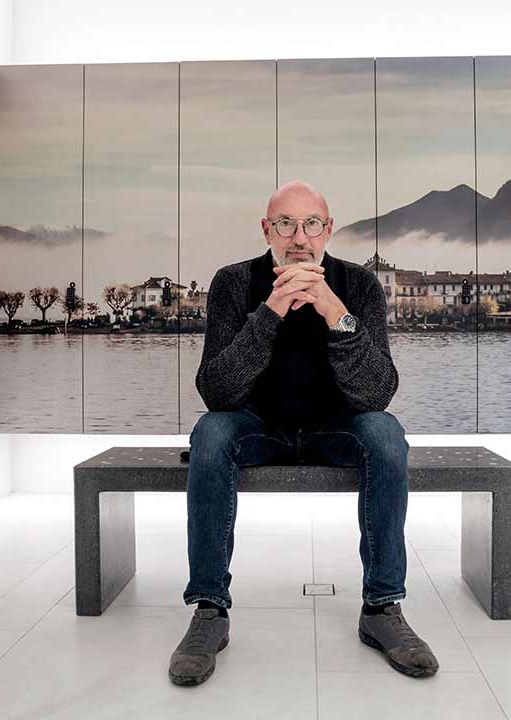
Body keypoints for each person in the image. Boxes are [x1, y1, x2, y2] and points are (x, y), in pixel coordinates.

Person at [169, 180, 439, 687]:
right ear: (266, 229)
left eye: (311, 224)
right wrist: (270, 312)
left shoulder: (358, 285)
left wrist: (335, 314)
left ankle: (382, 608)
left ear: (328, 230)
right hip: (258, 425)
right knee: (209, 433)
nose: (299, 237)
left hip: (336, 425)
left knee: (385, 433)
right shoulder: (232, 283)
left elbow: (378, 393)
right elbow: (217, 391)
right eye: (286, 224)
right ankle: (209, 610)